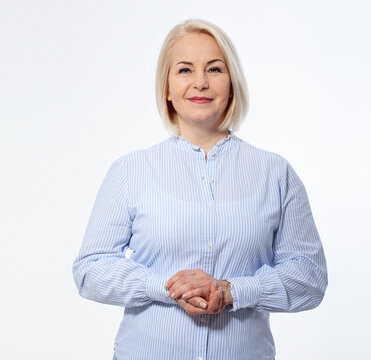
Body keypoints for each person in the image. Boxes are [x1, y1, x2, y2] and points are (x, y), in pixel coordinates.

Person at [72, 19, 327, 360]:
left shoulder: (275, 173)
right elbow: (90, 270)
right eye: (184, 70)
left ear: (232, 83)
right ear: (166, 87)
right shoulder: (129, 172)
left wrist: (234, 291)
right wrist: (164, 287)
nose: (200, 82)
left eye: (214, 69)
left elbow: (309, 278)